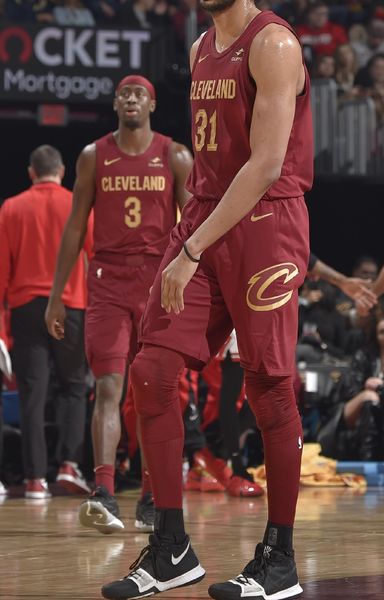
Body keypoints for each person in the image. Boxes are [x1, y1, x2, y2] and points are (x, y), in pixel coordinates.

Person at [99, 1, 312, 598]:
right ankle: (171, 546)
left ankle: (280, 557)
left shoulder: (273, 44)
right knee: (153, 370)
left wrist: (191, 248)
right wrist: (194, 239)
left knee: (267, 385)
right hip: (207, 217)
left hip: (266, 223)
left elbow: (268, 163)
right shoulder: (199, 49)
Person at [46, 75, 193, 534]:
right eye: (124, 94)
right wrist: (56, 297)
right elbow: (74, 228)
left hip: (157, 281)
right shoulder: (94, 156)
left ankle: (152, 496)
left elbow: (192, 230)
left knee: (153, 391)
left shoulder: (175, 155)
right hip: (108, 279)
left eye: (139, 94)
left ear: (151, 104)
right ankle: (104, 492)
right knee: (108, 386)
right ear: (116, 104)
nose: (131, 99)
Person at [0, 145, 92, 500]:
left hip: (24, 308)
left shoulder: (11, 207)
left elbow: (3, 271)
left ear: (30, 172)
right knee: (72, 387)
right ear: (63, 170)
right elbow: (94, 255)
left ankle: (35, 478)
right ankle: (69, 463)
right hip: (71, 306)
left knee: (32, 394)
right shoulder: (77, 203)